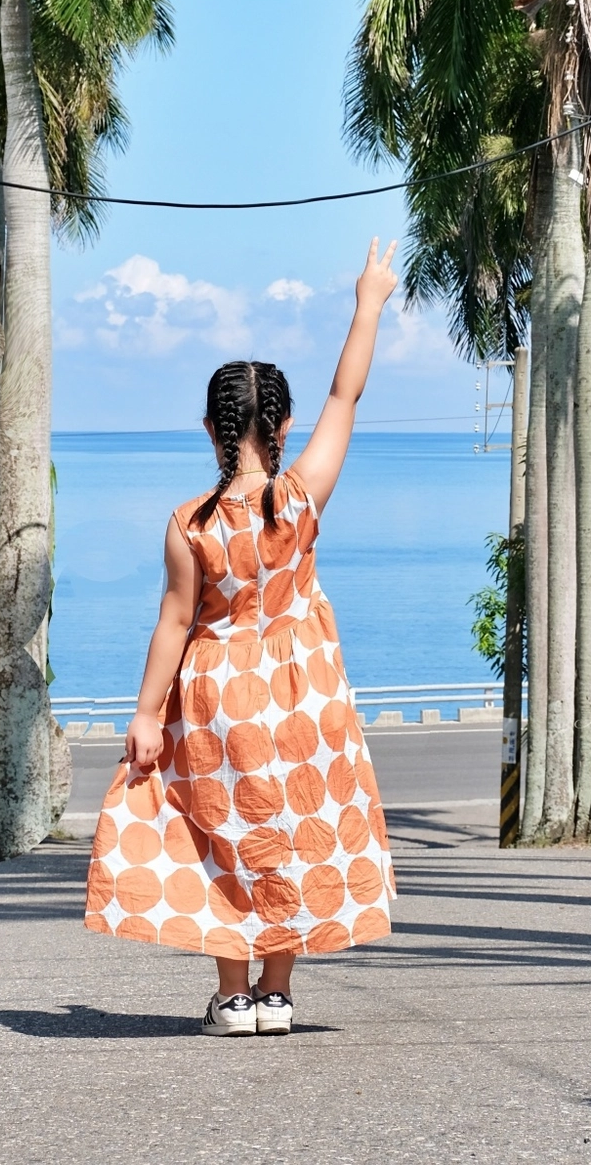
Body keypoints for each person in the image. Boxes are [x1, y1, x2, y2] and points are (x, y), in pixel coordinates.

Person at [85, 238, 399, 1037]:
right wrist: (368, 304)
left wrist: (147, 714)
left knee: (222, 833)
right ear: (284, 424)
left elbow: (173, 621)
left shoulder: (190, 522)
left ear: (209, 427)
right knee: (288, 832)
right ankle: (279, 993)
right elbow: (347, 396)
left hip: (218, 693)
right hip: (304, 692)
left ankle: (233, 997)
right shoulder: (302, 498)